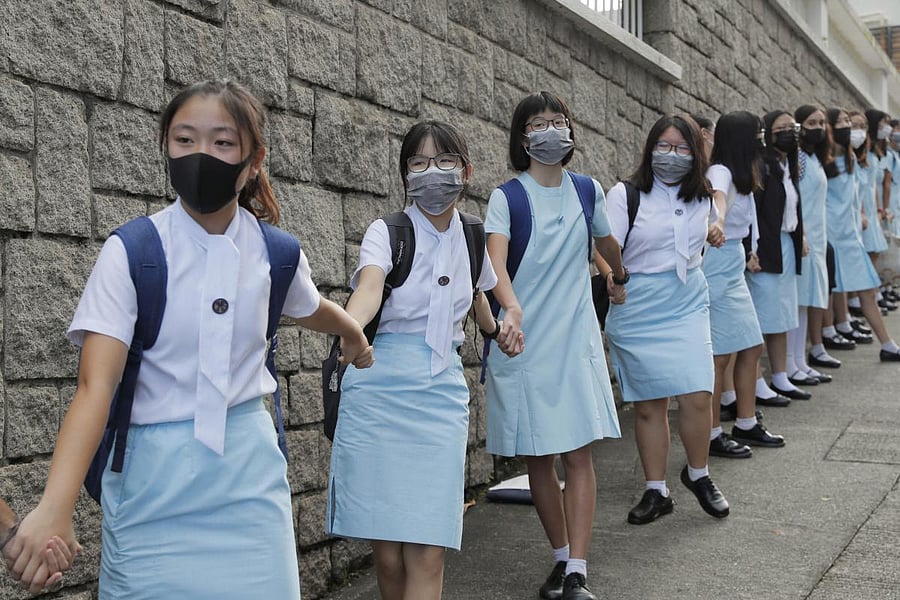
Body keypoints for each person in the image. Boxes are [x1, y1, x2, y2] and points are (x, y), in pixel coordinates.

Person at [4, 79, 372, 598]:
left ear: (254, 160)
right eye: (184, 140)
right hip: (151, 489)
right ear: (165, 148)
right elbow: (95, 387)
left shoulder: (277, 253)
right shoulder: (132, 252)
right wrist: (54, 509)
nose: (202, 155)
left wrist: (354, 334)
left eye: (222, 143)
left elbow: (312, 308)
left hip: (249, 484)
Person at [326, 120, 510, 600]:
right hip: (378, 385)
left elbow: (477, 294)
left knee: (428, 548)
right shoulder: (388, 232)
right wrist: (350, 329)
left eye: (445, 161)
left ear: (465, 170)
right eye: (419, 162)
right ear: (406, 174)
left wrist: (498, 331)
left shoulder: (474, 235)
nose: (433, 172)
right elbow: (368, 290)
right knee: (388, 556)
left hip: (439, 396)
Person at [484, 91, 625, 600]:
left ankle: (577, 573)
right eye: (537, 123)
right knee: (539, 458)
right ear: (523, 137)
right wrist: (511, 308)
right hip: (522, 343)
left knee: (578, 455)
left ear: (569, 130)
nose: (549, 130)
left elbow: (605, 242)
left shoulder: (587, 191)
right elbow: (494, 264)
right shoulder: (508, 197)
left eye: (557, 121)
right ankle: (561, 558)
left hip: (574, 340)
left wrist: (616, 271)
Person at [604, 114, 730, 526]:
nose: (671, 155)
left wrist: (717, 224)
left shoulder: (702, 194)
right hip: (637, 303)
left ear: (695, 155)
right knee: (649, 405)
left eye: (681, 148)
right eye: (664, 146)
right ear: (650, 149)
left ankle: (698, 474)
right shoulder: (626, 194)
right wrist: (611, 277)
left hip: (687, 300)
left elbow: (720, 200)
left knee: (698, 393)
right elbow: (604, 247)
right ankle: (656, 490)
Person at [703, 111, 784, 458]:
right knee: (718, 356)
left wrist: (748, 252)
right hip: (716, 265)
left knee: (751, 345)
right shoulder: (720, 171)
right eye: (758, 134)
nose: (762, 140)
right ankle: (710, 434)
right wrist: (718, 220)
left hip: (733, 260)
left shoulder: (744, 171)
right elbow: (717, 200)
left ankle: (746, 422)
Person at [824, 107, 900, 362]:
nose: (852, 129)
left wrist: (863, 216)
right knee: (826, 292)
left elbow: (856, 198)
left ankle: (887, 344)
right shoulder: (824, 161)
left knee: (867, 288)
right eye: (845, 122)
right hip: (832, 235)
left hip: (851, 236)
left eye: (855, 124)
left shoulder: (853, 159)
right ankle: (825, 337)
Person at [745, 110, 809, 401]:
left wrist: (800, 237)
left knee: (783, 315)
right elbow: (752, 212)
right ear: (768, 134)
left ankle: (781, 376)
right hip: (766, 249)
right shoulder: (763, 165)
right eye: (781, 128)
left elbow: (793, 209)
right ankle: (757, 383)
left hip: (786, 247)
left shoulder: (787, 165)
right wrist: (750, 250)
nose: (788, 133)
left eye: (791, 127)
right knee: (762, 316)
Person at [785, 105, 835, 386]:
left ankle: (800, 360)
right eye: (811, 122)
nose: (817, 127)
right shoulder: (799, 159)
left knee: (807, 302)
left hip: (818, 237)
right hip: (802, 237)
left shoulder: (815, 158)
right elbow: (795, 198)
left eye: (821, 122)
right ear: (800, 126)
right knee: (798, 301)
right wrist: (799, 232)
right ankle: (791, 364)